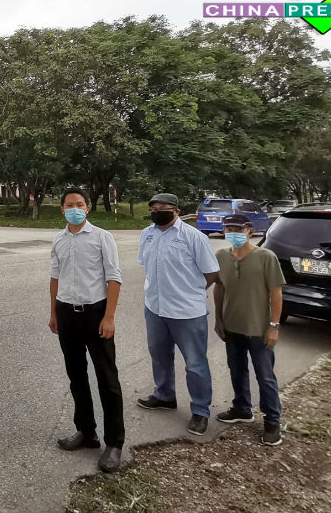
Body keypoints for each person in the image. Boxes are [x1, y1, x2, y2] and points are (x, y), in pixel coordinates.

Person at [49, 188, 125, 472]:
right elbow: (54, 277)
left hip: (96, 313)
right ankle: (86, 431)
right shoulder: (58, 239)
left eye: (79, 204)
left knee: (107, 377)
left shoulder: (102, 237)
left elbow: (114, 277)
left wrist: (109, 317)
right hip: (66, 313)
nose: (75, 209)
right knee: (76, 375)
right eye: (69, 205)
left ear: (87, 208)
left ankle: (114, 442)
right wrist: (54, 313)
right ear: (62, 209)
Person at [135, 193, 221, 436]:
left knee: (195, 363)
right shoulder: (147, 234)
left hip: (187, 312)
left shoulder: (193, 237)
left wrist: (192, 291)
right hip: (155, 308)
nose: (157, 212)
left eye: (163, 207)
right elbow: (148, 266)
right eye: (154, 208)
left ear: (176, 211)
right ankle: (164, 396)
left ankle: (201, 410)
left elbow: (211, 273)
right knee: (159, 355)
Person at [212, 214, 286, 446]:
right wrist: (219, 319)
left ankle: (272, 421)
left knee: (265, 376)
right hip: (232, 326)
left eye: (237, 229)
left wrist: (273, 326)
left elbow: (276, 293)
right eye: (228, 229)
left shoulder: (266, 257)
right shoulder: (221, 256)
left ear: (249, 231)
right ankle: (242, 408)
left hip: (259, 329)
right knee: (237, 370)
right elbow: (219, 288)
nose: (232, 233)